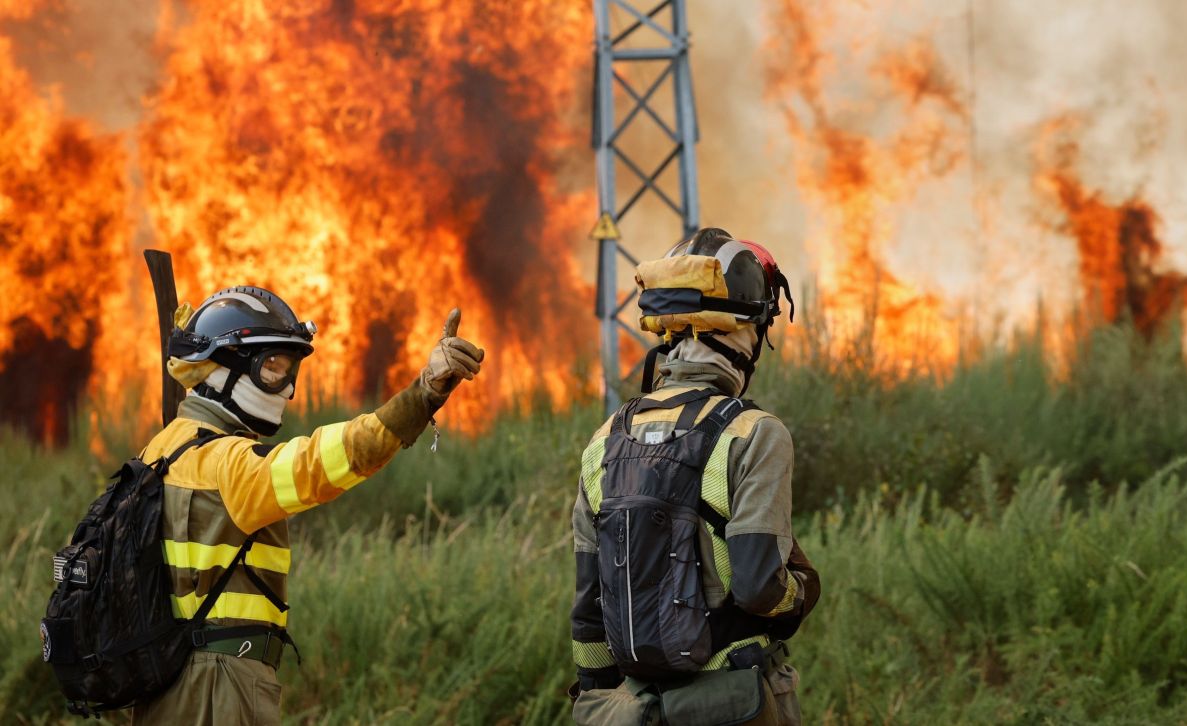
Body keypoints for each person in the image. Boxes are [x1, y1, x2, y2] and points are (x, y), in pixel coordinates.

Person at [130, 286, 484, 725]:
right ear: (222, 368)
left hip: (165, 683)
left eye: (289, 369)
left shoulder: (159, 450)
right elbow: (326, 460)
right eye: (272, 368)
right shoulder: (228, 464)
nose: (288, 387)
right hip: (218, 687)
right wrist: (423, 393)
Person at [569, 228, 821, 725]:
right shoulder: (754, 433)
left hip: (634, 712)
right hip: (734, 704)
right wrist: (802, 591)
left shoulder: (605, 440)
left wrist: (597, 697)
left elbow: (588, 609)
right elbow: (758, 588)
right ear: (744, 332)